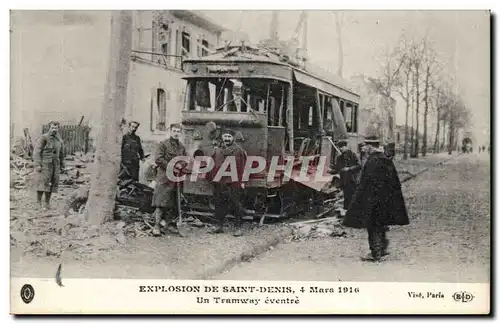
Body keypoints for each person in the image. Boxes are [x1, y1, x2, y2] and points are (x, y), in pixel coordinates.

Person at [343, 135, 409, 262]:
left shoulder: (372, 161)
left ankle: (375, 253)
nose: (364, 148)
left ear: (370, 146)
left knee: (372, 226)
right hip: (385, 199)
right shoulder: (386, 159)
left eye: (365, 146)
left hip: (372, 200)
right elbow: (394, 181)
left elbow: (366, 182)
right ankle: (383, 249)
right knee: (381, 224)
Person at [209, 129, 247, 237]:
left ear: (233, 138)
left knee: (236, 204)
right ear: (222, 137)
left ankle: (239, 228)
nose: (227, 138)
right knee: (219, 203)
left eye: (229, 137)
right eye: (225, 136)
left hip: (234, 181)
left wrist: (242, 181)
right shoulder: (217, 150)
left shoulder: (239, 150)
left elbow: (243, 167)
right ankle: (219, 226)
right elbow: (212, 165)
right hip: (220, 181)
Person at [151, 123, 187, 237]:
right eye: (174, 131)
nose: (176, 133)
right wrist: (172, 167)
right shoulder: (163, 144)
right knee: (160, 202)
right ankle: (156, 226)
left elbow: (184, 159)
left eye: (178, 131)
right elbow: (158, 159)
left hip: (176, 179)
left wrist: (181, 165)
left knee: (173, 203)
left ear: (180, 133)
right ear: (170, 131)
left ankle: (168, 225)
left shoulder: (181, 147)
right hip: (164, 177)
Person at [33, 121, 65, 210]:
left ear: (58, 129)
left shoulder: (59, 140)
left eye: (56, 128)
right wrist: (38, 164)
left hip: (55, 165)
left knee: (52, 184)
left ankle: (47, 203)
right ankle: (38, 203)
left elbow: (62, 154)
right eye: (52, 128)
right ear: (49, 128)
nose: (54, 130)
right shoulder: (43, 138)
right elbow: (37, 152)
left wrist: (62, 165)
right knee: (42, 183)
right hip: (45, 165)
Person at [334, 140, 361, 213]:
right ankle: (346, 214)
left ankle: (353, 213)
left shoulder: (353, 155)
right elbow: (338, 168)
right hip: (344, 181)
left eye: (342, 147)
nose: (341, 149)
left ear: (346, 147)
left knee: (353, 198)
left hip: (353, 180)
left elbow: (359, 166)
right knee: (346, 198)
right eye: (340, 147)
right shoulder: (339, 157)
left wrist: (349, 169)